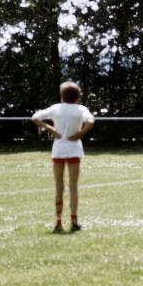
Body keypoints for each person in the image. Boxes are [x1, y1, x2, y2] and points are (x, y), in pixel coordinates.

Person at [32, 81, 95, 233]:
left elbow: (35, 117)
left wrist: (50, 129)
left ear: (62, 95)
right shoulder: (81, 109)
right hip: (74, 150)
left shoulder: (56, 108)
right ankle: (74, 221)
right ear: (77, 96)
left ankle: (58, 221)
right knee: (73, 187)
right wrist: (80, 133)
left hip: (58, 150)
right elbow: (91, 121)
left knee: (59, 187)